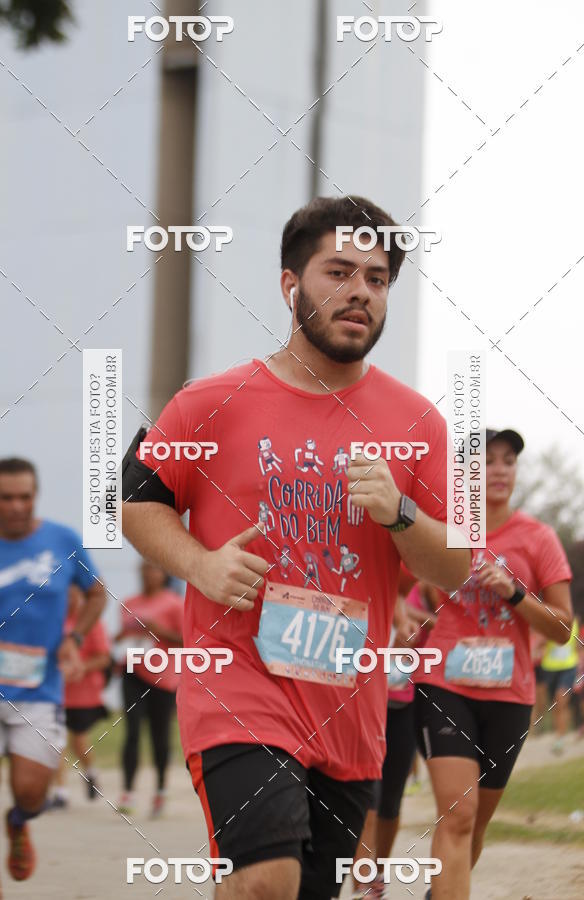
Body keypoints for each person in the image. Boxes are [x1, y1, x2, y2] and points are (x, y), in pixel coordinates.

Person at [121, 195, 471, 899]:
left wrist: (400, 514)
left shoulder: (420, 424)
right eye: (338, 272)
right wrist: (200, 565)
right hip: (237, 685)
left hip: (350, 709)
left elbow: (456, 565)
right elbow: (131, 502)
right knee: (265, 879)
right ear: (291, 284)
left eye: (377, 279)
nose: (360, 291)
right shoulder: (210, 402)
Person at [414, 429, 573, 900]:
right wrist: (407, 613)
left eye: (508, 461)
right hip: (444, 685)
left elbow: (562, 628)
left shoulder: (538, 538)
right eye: (487, 461)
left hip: (509, 695)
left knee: (475, 826)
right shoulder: (444, 530)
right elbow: (404, 581)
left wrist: (514, 592)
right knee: (458, 815)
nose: (500, 470)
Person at [0, 458, 105, 899]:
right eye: (7, 498)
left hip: (40, 690)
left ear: (35, 496)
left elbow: (96, 592)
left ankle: (19, 822)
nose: (17, 506)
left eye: (25, 497)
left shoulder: (62, 540)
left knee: (32, 792)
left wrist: (74, 637)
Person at [351, 581, 439, 900]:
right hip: (362, 701)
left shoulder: (415, 589)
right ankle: (363, 884)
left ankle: (377, 875)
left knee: (391, 798)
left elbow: (443, 621)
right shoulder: (365, 585)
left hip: (403, 703)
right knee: (369, 797)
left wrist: (411, 620)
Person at [115, 561, 183, 817]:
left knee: (159, 735)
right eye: (142, 569)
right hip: (132, 673)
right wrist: (119, 639)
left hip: (163, 677)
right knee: (132, 731)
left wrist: (159, 631)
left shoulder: (174, 603)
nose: (146, 574)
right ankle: (128, 792)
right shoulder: (128, 603)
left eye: (152, 569)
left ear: (163, 574)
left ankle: (160, 791)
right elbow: (123, 636)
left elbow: (188, 641)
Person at [49, 586, 111, 808]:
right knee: (55, 742)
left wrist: (79, 667)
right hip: (55, 692)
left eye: (72, 595)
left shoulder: (90, 622)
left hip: (83, 693)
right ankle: (61, 792)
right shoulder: (52, 619)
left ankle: (90, 771)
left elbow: (104, 658)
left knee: (79, 742)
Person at [540, 617, 580, 754]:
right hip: (550, 668)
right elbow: (540, 642)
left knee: (561, 700)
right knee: (555, 704)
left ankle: (560, 738)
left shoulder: (574, 622)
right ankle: (558, 732)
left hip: (569, 667)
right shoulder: (548, 620)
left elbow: (576, 645)